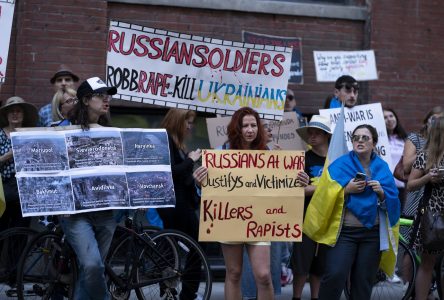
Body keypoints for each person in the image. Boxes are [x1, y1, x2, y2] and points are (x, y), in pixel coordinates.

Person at [193, 107, 309, 300]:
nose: (249, 129)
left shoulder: (269, 152)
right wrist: (199, 182)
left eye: (253, 125)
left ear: (259, 128)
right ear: (236, 128)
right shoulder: (223, 152)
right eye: (244, 125)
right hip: (230, 220)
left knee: (263, 276)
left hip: (260, 221)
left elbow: (284, 186)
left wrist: (299, 181)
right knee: (234, 273)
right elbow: (209, 189)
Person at [304, 124, 400, 300]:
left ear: (374, 143)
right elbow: (323, 195)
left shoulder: (383, 167)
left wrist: (382, 193)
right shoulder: (340, 165)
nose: (360, 141)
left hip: (372, 235)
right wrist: (345, 190)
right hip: (344, 233)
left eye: (365, 138)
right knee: (335, 275)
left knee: (363, 282)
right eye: (356, 137)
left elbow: (394, 200)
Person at [60, 77, 117, 300]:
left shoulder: (111, 132)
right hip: (75, 214)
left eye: (108, 95)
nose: (106, 99)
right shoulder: (64, 130)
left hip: (106, 212)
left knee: (92, 270)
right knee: (93, 266)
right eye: (100, 95)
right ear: (85, 99)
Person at [156, 108, 202, 299]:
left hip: (178, 204)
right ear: (177, 121)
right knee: (194, 249)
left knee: (171, 247)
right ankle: (187, 294)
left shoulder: (176, 142)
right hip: (176, 205)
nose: (190, 126)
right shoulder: (166, 140)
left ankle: (170, 290)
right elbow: (170, 173)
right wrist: (191, 160)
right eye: (187, 122)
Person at [291, 115, 331, 300]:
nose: (312, 136)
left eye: (317, 133)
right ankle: (296, 297)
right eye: (310, 133)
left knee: (320, 265)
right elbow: (297, 191)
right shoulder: (302, 158)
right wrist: (324, 189)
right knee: (301, 264)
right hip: (304, 218)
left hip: (328, 219)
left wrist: (313, 188)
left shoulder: (336, 161)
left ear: (327, 136)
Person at [406, 115, 444, 300]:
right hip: (433, 215)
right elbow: (410, 185)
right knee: (428, 263)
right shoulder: (426, 155)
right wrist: (428, 178)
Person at [0, 96, 38, 231]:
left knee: (20, 231)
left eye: (18, 111)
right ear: (6, 115)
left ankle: (18, 253)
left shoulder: (31, 135)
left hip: (25, 189)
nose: (15, 114)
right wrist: (8, 156)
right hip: (3, 190)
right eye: (11, 111)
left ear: (24, 114)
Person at [383, 107, 408, 209]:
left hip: (400, 185)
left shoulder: (404, 139)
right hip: (383, 184)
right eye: (385, 117)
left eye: (391, 116)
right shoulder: (377, 139)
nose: (389, 119)